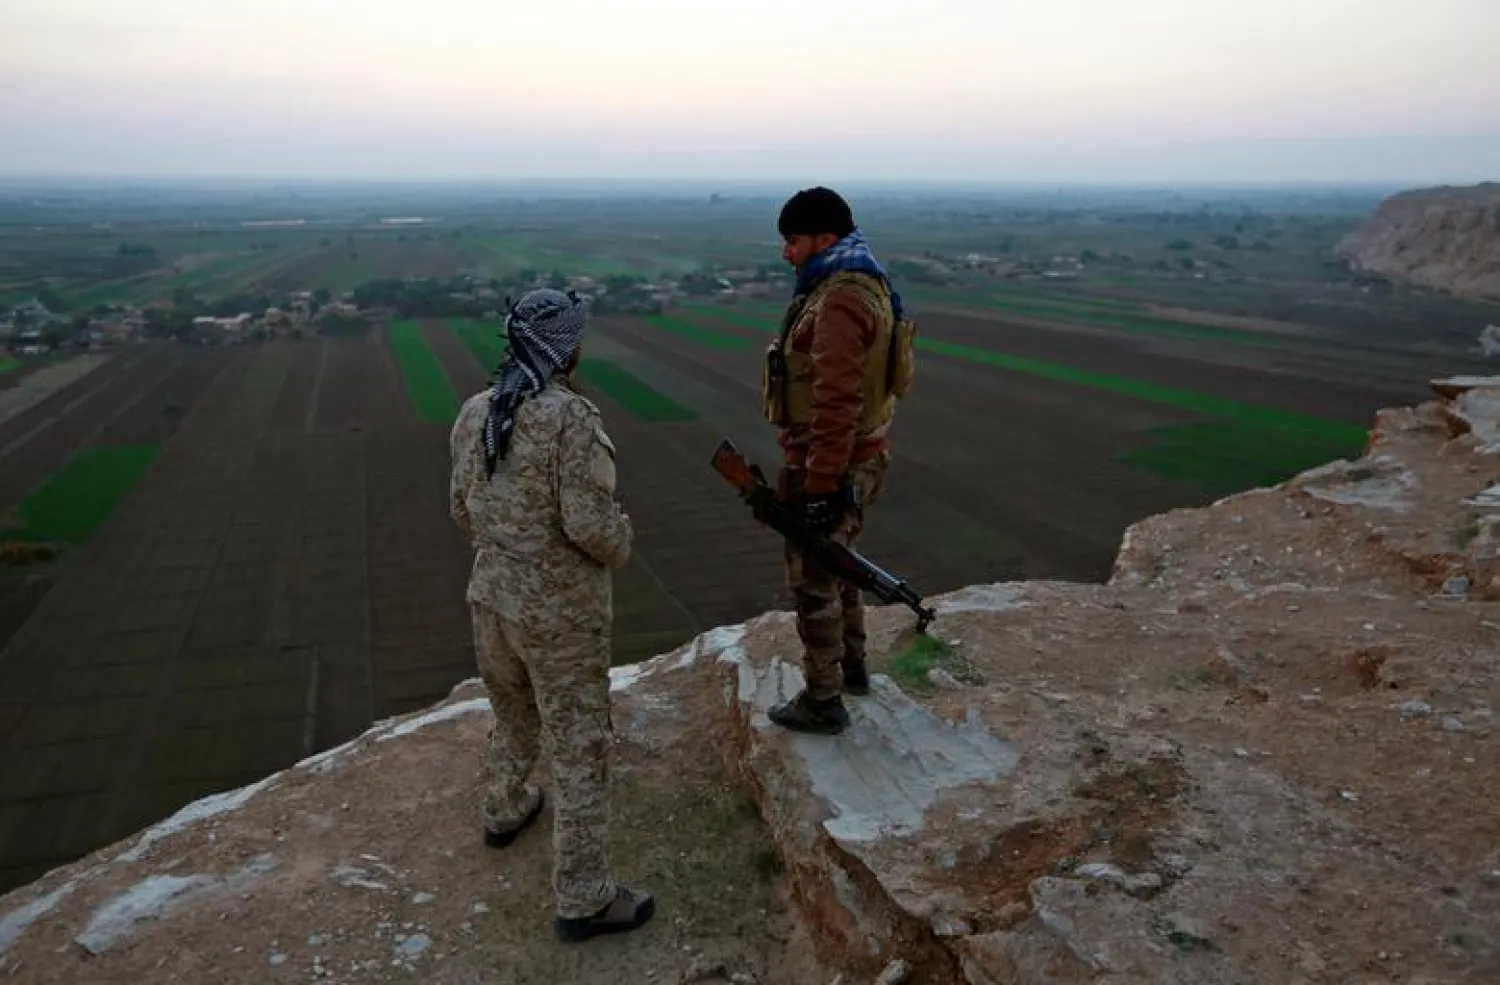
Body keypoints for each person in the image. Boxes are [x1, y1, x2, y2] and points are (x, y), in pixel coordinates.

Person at [448, 287, 654, 943]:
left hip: (492, 598)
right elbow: (589, 524)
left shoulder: (477, 410)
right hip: (559, 618)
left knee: (512, 712)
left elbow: (461, 509)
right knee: (580, 744)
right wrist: (623, 540)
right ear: (567, 348)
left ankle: (505, 807)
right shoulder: (570, 417)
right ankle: (585, 897)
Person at [759, 186, 914, 735]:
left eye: (793, 241)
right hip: (857, 459)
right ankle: (852, 670)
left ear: (825, 239)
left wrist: (820, 486)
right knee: (839, 563)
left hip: (833, 464)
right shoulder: (862, 282)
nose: (787, 253)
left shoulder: (841, 301)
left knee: (814, 582)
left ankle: (822, 700)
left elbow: (836, 402)